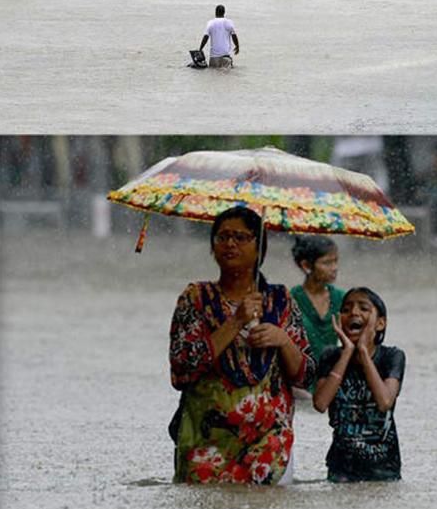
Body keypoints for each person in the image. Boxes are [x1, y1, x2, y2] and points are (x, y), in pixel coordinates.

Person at [169, 207, 313, 485]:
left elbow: (305, 375)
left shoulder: (281, 300)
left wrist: (282, 340)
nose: (230, 244)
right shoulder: (195, 298)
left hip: (270, 443)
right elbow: (181, 369)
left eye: (240, 237)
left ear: (259, 247)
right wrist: (235, 321)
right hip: (205, 441)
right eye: (222, 237)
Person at [313, 287, 405, 482]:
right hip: (341, 469)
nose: (353, 312)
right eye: (346, 309)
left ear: (380, 323)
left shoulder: (392, 357)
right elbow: (320, 403)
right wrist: (346, 352)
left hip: (383, 469)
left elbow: (385, 401)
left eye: (363, 308)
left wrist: (363, 352)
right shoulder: (330, 356)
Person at [290, 236, 346, 372]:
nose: (335, 268)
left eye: (336, 261)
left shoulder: (341, 298)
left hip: (331, 374)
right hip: (300, 375)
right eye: (327, 263)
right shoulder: (291, 299)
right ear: (306, 266)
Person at [199, 4, 240, 69]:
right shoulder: (229, 22)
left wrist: (200, 49)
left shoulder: (210, 23)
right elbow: (234, 35)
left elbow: (205, 37)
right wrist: (237, 46)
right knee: (226, 75)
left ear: (215, 12)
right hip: (225, 55)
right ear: (224, 12)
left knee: (213, 75)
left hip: (214, 56)